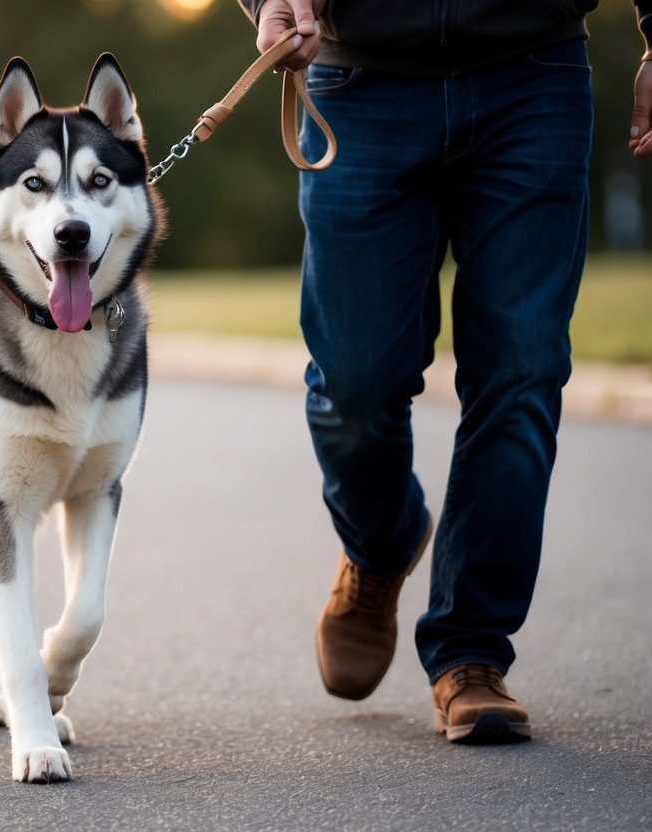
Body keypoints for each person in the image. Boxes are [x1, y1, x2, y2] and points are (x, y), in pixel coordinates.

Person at [240, 0, 652, 743]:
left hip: (532, 79)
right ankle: (378, 545)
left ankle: (470, 655)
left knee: (521, 372)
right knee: (353, 383)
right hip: (359, 83)